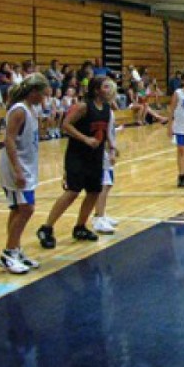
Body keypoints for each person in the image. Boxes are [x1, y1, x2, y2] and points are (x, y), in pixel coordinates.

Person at [36, 77, 116, 249]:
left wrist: (111, 148)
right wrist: (85, 139)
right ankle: (46, 227)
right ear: (96, 90)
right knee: (72, 191)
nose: (109, 90)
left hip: (96, 155)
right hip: (77, 155)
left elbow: (105, 130)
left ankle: (80, 226)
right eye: (106, 87)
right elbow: (65, 125)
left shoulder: (107, 108)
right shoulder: (84, 106)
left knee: (94, 191)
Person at [0, 73, 50, 274]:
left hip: (27, 165)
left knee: (18, 209)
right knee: (27, 208)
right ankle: (9, 252)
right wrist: (18, 170)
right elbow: (8, 140)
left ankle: (15, 250)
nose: (45, 98)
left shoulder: (31, 108)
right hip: (15, 167)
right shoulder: (19, 110)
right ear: (34, 92)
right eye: (43, 94)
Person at [92, 112, 120, 234]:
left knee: (108, 184)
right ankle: (98, 218)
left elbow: (111, 131)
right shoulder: (102, 112)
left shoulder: (108, 110)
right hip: (102, 151)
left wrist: (114, 148)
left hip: (108, 150)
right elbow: (103, 133)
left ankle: (101, 214)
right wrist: (110, 149)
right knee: (104, 184)